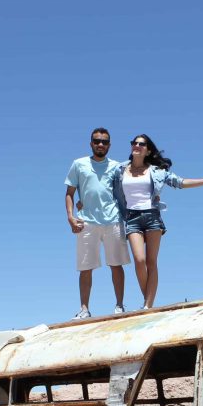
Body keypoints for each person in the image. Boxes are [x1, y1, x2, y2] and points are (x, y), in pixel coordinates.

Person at [103, 134, 203, 309]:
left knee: (151, 262)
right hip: (131, 218)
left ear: (148, 150)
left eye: (141, 144)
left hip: (152, 216)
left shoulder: (157, 171)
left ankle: (147, 306)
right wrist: (83, 199)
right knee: (139, 260)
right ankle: (148, 300)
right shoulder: (119, 169)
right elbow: (105, 188)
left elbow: (179, 182)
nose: (137, 145)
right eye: (134, 143)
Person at [64, 128, 129, 319]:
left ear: (109, 145)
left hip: (113, 220)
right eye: (97, 141)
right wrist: (70, 217)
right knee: (85, 267)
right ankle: (84, 309)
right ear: (91, 143)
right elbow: (69, 193)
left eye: (104, 141)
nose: (100, 144)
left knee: (116, 264)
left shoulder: (118, 167)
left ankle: (119, 306)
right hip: (86, 222)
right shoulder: (79, 164)